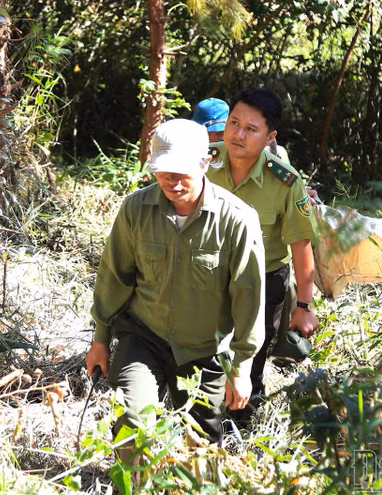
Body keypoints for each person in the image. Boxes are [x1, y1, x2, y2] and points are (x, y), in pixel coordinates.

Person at [85, 118, 268, 447]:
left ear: (205, 163)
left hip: (206, 349)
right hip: (144, 335)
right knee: (130, 422)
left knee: (199, 444)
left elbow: (249, 298)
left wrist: (241, 366)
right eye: (163, 170)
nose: (172, 181)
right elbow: (114, 275)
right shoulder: (136, 209)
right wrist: (100, 338)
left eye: (182, 170)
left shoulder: (237, 220)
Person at [207, 88, 318, 396]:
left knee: (252, 354)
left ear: (271, 137)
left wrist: (305, 306)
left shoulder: (285, 181)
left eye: (251, 129)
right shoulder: (204, 162)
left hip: (263, 279)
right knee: (204, 349)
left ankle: (241, 418)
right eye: (233, 123)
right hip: (209, 271)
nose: (237, 134)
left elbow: (300, 244)